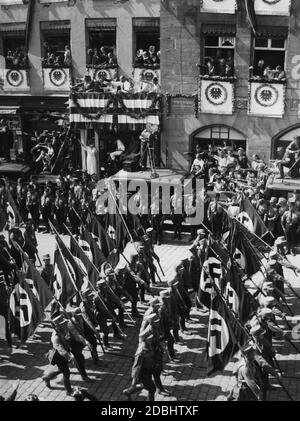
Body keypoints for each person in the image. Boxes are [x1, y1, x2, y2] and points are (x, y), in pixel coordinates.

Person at [43, 316, 73, 395]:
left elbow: (66, 338)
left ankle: (47, 377)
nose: (64, 324)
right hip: (59, 356)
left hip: (63, 354)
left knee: (60, 370)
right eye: (62, 323)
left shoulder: (62, 330)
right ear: (57, 326)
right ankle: (68, 390)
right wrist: (70, 357)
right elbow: (61, 350)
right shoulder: (55, 337)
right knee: (66, 373)